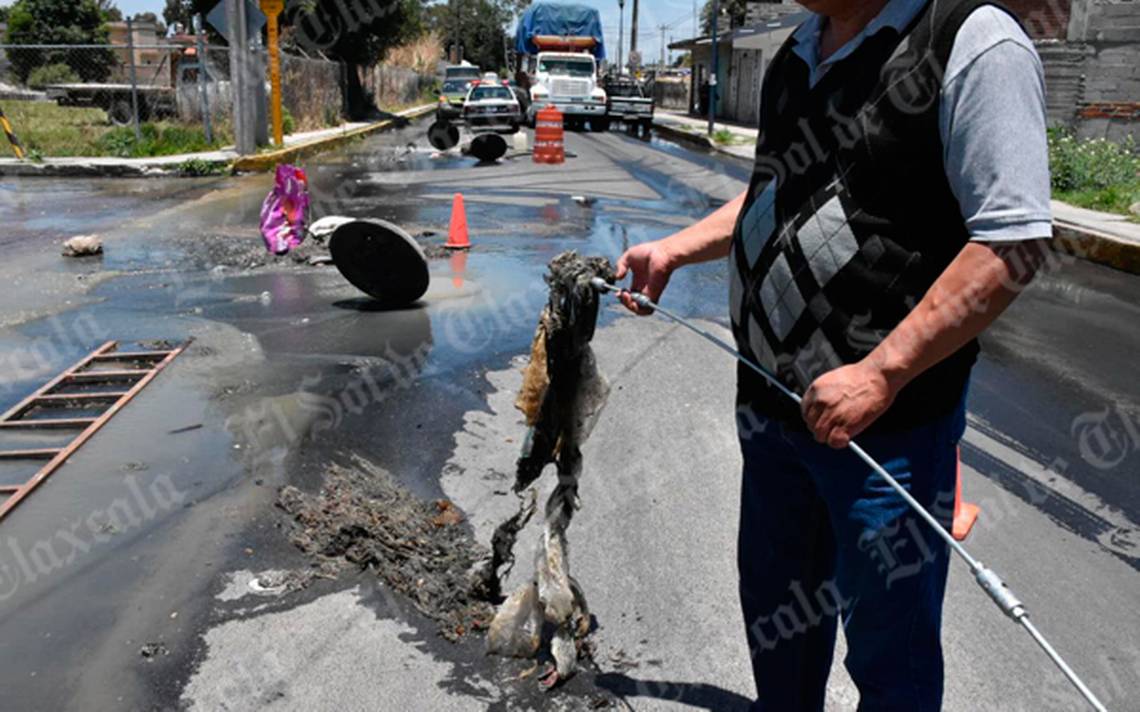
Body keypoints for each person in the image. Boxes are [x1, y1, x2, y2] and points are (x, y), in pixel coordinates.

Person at [615, 0, 1053, 709]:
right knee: (778, 624)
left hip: (890, 432)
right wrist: (672, 249)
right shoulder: (796, 54)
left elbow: (1012, 242)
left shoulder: (970, 40)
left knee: (890, 651)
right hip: (770, 412)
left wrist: (882, 371)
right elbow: (775, 195)